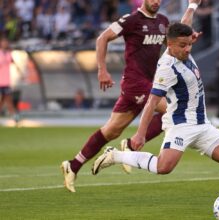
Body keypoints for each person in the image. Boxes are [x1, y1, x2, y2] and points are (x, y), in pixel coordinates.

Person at [92, 22, 219, 220]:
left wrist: (191, 6)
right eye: (183, 45)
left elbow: (183, 27)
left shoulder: (181, 47)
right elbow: (152, 102)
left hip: (203, 125)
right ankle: (116, 156)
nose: (188, 49)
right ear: (169, 45)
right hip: (180, 126)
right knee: (164, 167)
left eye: (190, 44)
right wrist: (140, 134)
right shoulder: (166, 68)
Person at [61, 0, 201, 193]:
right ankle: (130, 146)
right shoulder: (131, 20)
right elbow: (102, 38)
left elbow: (175, 40)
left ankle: (73, 165)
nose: (156, 1)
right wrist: (102, 70)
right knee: (173, 110)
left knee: (111, 131)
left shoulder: (162, 21)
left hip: (147, 83)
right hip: (135, 83)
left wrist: (191, 17)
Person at [0, 38, 20, 124]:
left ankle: (14, 115)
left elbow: (14, 63)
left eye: (6, 42)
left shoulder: (9, 53)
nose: (5, 44)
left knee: (7, 99)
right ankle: (14, 115)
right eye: (3, 42)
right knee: (4, 99)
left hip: (6, 81)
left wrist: (20, 72)